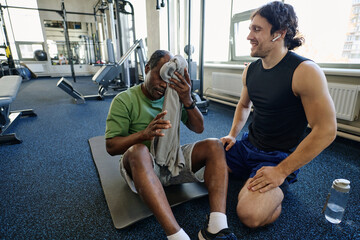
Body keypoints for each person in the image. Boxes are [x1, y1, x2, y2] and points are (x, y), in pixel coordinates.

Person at [220, 1, 337, 228]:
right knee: (208, 158)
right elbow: (244, 106)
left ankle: (275, 189)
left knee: (250, 215)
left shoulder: (305, 72)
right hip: (247, 146)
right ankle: (250, 176)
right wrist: (232, 135)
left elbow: (327, 130)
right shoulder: (251, 69)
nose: (248, 36)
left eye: (256, 29)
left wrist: (281, 171)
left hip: (277, 158)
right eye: (249, 29)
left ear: (279, 34)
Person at [105, 50, 237, 240]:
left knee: (215, 145)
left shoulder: (173, 98)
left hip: (171, 161)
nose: (164, 84)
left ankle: (216, 226)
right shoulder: (124, 100)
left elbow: (199, 128)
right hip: (141, 165)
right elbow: (111, 147)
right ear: (147, 68)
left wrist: (187, 100)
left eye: (169, 79)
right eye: (160, 76)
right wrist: (144, 134)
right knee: (138, 150)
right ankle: (176, 236)